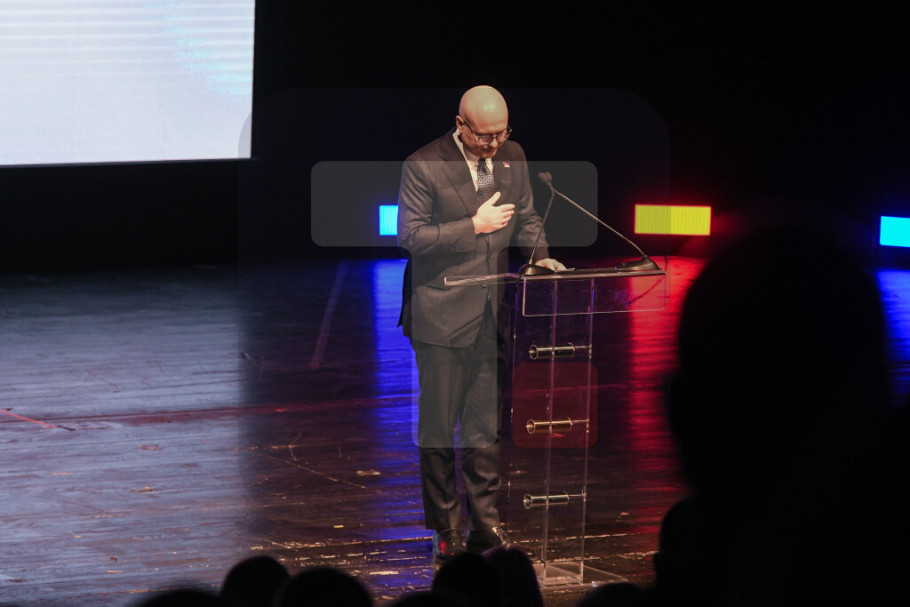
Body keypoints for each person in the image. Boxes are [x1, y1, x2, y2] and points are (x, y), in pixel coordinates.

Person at [397, 85, 564, 561]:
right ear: (460, 124)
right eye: (484, 136)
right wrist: (473, 225)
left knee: (484, 427)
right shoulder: (423, 164)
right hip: (441, 315)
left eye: (501, 134)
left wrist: (539, 256)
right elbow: (410, 237)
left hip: (493, 313)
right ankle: (444, 527)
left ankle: (485, 524)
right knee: (438, 429)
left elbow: (526, 216)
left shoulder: (512, 156)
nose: (493, 145)